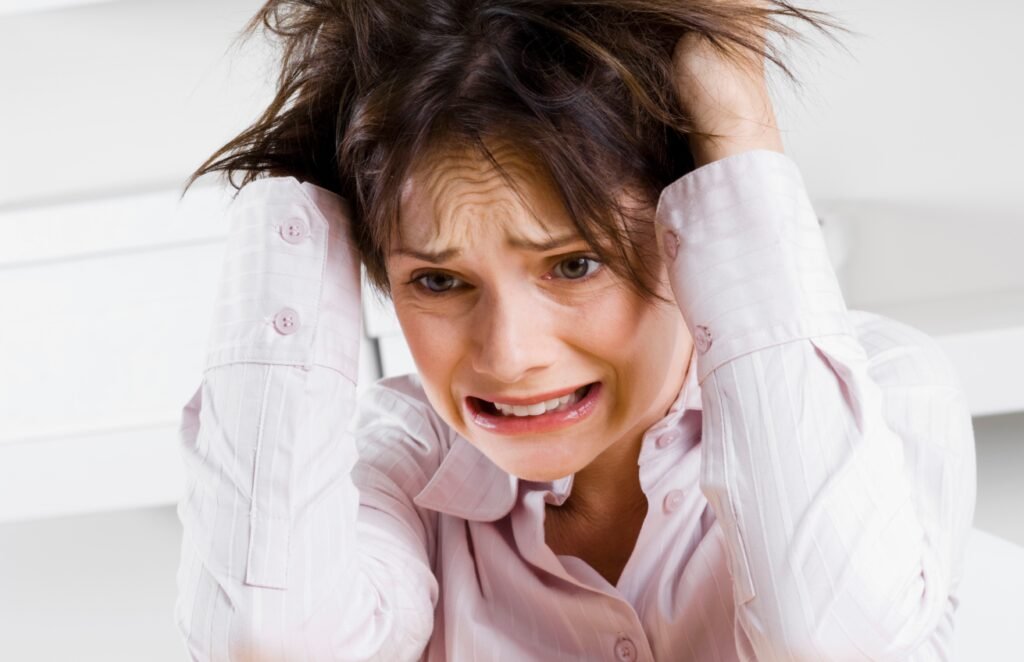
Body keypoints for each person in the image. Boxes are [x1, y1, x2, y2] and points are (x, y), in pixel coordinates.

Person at [174, 1, 976, 660]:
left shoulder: (887, 387)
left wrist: (737, 129)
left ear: (688, 232)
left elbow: (832, 640)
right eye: (440, 281)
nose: (510, 356)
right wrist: (301, 186)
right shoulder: (398, 463)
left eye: (573, 265)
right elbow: (267, 638)